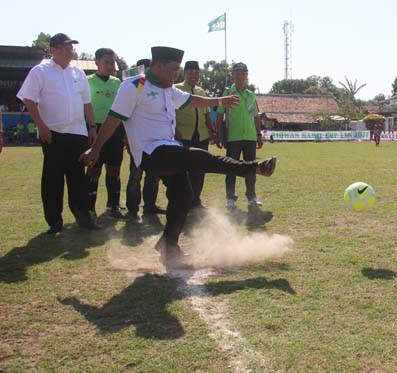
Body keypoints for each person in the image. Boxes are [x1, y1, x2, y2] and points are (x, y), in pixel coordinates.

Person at [80, 46, 277, 267]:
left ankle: (168, 245)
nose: (176, 75)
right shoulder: (135, 86)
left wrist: (219, 101)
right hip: (149, 152)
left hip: (168, 148)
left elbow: (192, 100)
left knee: (183, 196)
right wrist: (95, 149)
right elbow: (113, 119)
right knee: (198, 158)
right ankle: (253, 167)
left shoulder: (169, 89)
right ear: (159, 65)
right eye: (173, 70)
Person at [16, 33, 99, 234]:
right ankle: (54, 221)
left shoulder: (78, 74)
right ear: (53, 50)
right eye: (66, 47)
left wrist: (92, 127)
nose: (71, 51)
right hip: (53, 132)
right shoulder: (40, 71)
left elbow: (86, 102)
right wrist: (41, 126)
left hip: (78, 132)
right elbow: (28, 99)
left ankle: (82, 216)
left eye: (72, 48)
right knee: (53, 178)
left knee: (78, 177)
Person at [215, 62, 265, 212]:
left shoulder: (250, 95)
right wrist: (218, 133)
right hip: (233, 137)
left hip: (250, 137)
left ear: (247, 75)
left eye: (243, 73)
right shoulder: (227, 93)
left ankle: (252, 197)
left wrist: (258, 134)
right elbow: (219, 114)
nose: (240, 75)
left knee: (251, 168)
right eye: (237, 73)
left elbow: (255, 116)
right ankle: (230, 198)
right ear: (233, 74)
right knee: (231, 168)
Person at [86, 48, 128, 219]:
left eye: (112, 62)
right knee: (93, 169)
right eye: (106, 62)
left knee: (114, 169)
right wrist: (90, 128)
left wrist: (125, 133)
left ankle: (113, 206)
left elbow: (124, 109)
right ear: (97, 62)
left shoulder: (117, 83)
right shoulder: (87, 81)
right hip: (95, 129)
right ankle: (89, 208)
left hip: (115, 130)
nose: (110, 65)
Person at [124, 58, 165, 219]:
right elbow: (125, 115)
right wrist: (127, 138)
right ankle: (132, 208)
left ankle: (150, 205)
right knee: (135, 175)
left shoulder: (159, 88)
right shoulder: (136, 86)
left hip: (155, 142)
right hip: (138, 141)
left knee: (153, 176)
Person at [174, 61, 217, 209]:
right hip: (183, 136)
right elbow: (170, 113)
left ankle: (196, 200)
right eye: (190, 73)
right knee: (184, 170)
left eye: (196, 73)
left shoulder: (201, 91)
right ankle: (184, 200)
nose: (194, 76)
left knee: (200, 168)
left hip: (201, 136)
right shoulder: (176, 89)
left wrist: (212, 131)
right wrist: (174, 130)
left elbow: (206, 115)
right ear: (184, 73)